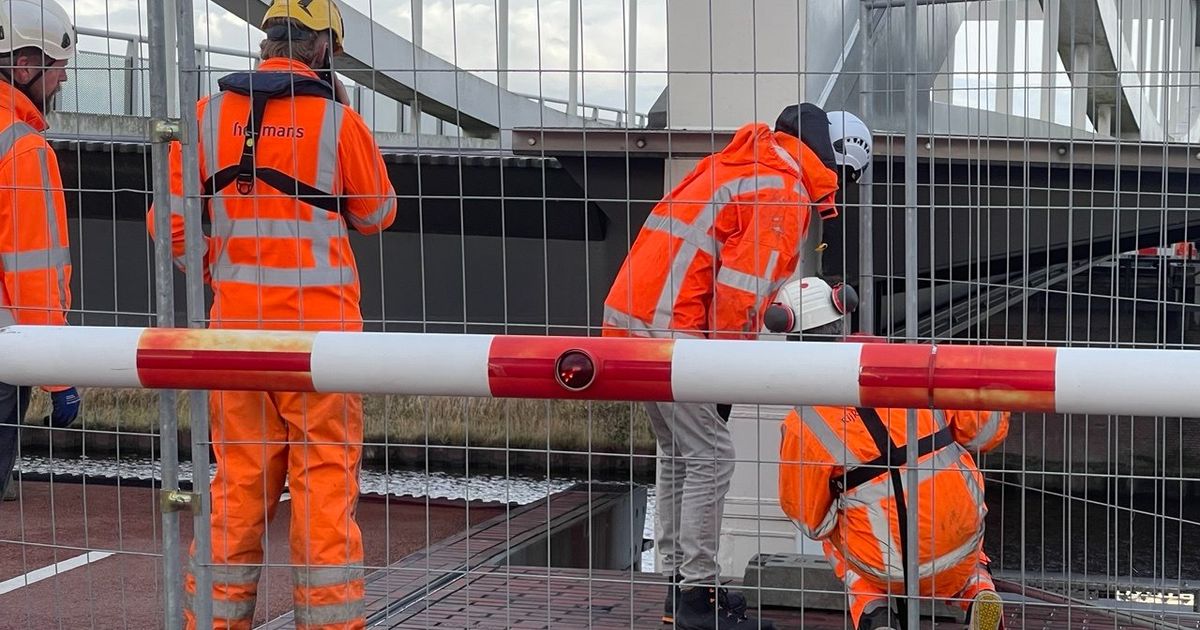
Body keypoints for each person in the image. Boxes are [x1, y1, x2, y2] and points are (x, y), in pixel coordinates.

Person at [146, 0, 396, 627]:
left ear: (267, 43)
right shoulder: (339, 123)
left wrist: (216, 275)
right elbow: (376, 214)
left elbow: (168, 221)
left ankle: (214, 621)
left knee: (233, 492)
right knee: (324, 495)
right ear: (324, 51)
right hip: (323, 349)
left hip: (237, 338)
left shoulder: (206, 116)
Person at [602, 104, 871, 630]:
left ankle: (679, 587)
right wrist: (727, 366)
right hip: (672, 329)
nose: (836, 190)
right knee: (713, 455)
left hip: (637, 318)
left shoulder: (743, 164)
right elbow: (741, 294)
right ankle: (696, 598)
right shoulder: (785, 190)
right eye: (843, 179)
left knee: (681, 453)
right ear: (837, 161)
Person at [769, 278, 1009, 630]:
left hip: (885, 566)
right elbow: (984, 431)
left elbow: (811, 521)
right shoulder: (912, 367)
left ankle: (874, 613)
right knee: (967, 562)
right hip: (960, 538)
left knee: (837, 545)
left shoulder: (805, 421)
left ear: (788, 335)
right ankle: (976, 592)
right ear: (842, 311)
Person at [0, 0, 82, 503]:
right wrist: (58, 376)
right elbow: (33, 274)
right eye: (59, 68)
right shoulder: (22, 149)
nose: (64, 81)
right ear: (26, 65)